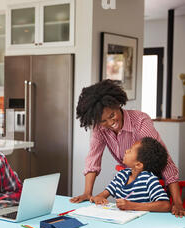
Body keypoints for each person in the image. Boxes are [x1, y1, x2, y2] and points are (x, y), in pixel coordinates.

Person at [70, 80, 184, 218]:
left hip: (155, 183)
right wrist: (88, 193)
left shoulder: (140, 122)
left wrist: (178, 202)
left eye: (112, 115)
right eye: (103, 121)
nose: (111, 123)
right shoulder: (99, 129)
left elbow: (166, 162)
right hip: (131, 177)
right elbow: (93, 159)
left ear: (118, 105)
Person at [90, 137, 170, 212]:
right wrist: (98, 198)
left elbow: (165, 205)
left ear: (138, 165)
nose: (126, 151)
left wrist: (132, 206)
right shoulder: (121, 175)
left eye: (130, 150)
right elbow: (102, 195)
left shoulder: (149, 180)